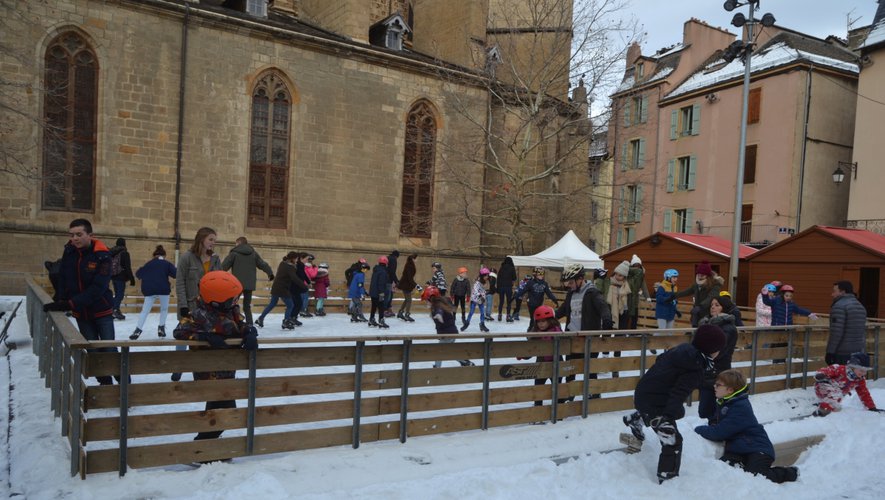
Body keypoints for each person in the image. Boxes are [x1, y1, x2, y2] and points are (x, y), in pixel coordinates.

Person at [622, 324, 726, 484]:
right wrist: (668, 417)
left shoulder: (683, 350)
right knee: (672, 440)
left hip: (644, 392)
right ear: (713, 350)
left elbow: (663, 363)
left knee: (671, 413)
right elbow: (679, 393)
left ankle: (637, 419)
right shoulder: (696, 367)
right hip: (656, 401)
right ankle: (667, 478)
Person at [173, 271, 258, 442]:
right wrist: (204, 337)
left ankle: (205, 448)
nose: (236, 301)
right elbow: (179, 331)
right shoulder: (199, 314)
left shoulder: (231, 311)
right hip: (208, 372)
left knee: (217, 412)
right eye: (233, 298)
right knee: (225, 412)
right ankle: (201, 446)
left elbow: (240, 324)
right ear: (218, 301)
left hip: (226, 371)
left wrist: (249, 331)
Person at [43, 219, 118, 385]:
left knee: (109, 349)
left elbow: (98, 287)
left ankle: (125, 384)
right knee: (92, 350)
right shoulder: (69, 252)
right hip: (81, 313)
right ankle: (106, 386)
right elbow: (63, 276)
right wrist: (60, 298)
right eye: (71, 235)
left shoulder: (103, 256)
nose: (75, 238)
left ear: (90, 235)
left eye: (79, 234)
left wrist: (70, 304)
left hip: (101, 310)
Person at [694, 369, 799, 483]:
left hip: (757, 449)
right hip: (737, 449)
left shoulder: (740, 407)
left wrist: (697, 429)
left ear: (730, 390)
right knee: (725, 469)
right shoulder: (726, 402)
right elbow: (713, 420)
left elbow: (719, 433)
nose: (714, 386)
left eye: (718, 385)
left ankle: (789, 473)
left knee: (755, 477)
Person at [555, 264, 612, 399]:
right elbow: (563, 310)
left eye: (571, 282)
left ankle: (594, 393)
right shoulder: (571, 294)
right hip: (572, 338)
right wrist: (550, 318)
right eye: (567, 282)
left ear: (580, 279)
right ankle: (569, 394)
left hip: (588, 339)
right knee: (570, 368)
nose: (568, 285)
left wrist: (607, 324)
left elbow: (604, 308)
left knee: (589, 368)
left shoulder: (592, 293)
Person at [174, 227, 222, 382]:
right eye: (211, 239)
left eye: (215, 240)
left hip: (209, 309)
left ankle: (202, 372)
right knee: (184, 336)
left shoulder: (215, 259)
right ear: (201, 239)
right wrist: (183, 306)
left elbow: (220, 281)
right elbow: (180, 282)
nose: (213, 243)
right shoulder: (186, 258)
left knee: (204, 341)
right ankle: (178, 366)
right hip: (190, 307)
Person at [697, 295, 739, 421]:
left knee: (713, 410)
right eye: (712, 305)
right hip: (706, 372)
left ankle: (718, 429)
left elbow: (718, 351)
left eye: (717, 305)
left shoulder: (728, 328)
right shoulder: (707, 324)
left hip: (719, 372)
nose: (713, 307)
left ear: (724, 308)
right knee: (704, 410)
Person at [221, 236, 274, 325]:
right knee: (247, 306)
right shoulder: (253, 253)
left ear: (238, 243)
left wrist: (217, 276)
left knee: (231, 304)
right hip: (249, 284)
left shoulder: (234, 253)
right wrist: (270, 273)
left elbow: (224, 266)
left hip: (237, 285)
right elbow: (262, 264)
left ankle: (230, 322)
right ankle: (250, 324)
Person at [130, 245, 177, 339]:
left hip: (149, 290)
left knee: (145, 311)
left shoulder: (149, 263)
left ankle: (137, 330)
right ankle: (161, 328)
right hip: (163, 289)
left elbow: (138, 274)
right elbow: (175, 274)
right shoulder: (166, 263)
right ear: (164, 255)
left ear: (154, 255)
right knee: (164, 309)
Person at [813, 352, 880, 417]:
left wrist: (871, 407)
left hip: (837, 394)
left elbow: (864, 393)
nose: (863, 373)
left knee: (837, 405)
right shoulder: (840, 369)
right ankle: (822, 411)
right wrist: (821, 375)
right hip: (822, 387)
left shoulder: (859, 379)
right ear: (853, 367)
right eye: (861, 370)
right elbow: (828, 370)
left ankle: (825, 406)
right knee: (835, 394)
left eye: (865, 371)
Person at [522, 305, 564, 406]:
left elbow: (564, 342)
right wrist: (524, 355)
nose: (541, 324)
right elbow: (532, 349)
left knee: (557, 387)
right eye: (539, 322)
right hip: (541, 365)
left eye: (543, 321)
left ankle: (559, 408)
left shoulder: (557, 331)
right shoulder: (535, 333)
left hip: (556, 364)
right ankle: (538, 408)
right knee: (539, 387)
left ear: (550, 321)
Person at [422, 286, 473, 368]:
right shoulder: (440, 304)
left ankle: (437, 368)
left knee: (439, 351)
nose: (426, 303)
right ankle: (464, 362)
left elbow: (440, 311)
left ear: (430, 299)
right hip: (451, 333)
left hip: (448, 334)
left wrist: (439, 315)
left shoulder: (437, 306)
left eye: (426, 300)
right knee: (449, 351)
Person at [256, 251, 301, 329]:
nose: (297, 260)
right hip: (282, 288)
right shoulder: (290, 267)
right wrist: (304, 285)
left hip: (276, 287)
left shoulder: (283, 263)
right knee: (290, 305)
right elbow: (294, 278)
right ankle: (286, 322)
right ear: (293, 259)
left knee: (272, 304)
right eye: (296, 258)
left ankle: (260, 318)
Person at [827, 281, 868, 365]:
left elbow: (836, 332)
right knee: (852, 376)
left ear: (842, 292)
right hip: (858, 351)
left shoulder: (839, 306)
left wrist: (830, 352)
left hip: (842, 352)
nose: (832, 294)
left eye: (834, 291)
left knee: (841, 377)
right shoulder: (860, 306)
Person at [675, 261, 723, 327]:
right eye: (698, 274)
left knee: (704, 330)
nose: (700, 276)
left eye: (702, 274)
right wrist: (673, 295)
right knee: (695, 328)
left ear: (707, 275)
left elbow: (711, 297)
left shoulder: (715, 285)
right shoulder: (697, 284)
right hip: (696, 314)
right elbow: (687, 291)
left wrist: (700, 306)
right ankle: (693, 331)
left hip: (708, 313)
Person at [513, 267, 559, 331]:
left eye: (542, 274)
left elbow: (549, 293)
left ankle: (535, 331)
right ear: (535, 275)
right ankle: (530, 332)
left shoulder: (544, 284)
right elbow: (523, 290)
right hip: (531, 304)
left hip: (539, 303)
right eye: (539, 274)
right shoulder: (530, 283)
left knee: (538, 319)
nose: (541, 276)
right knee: (533, 318)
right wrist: (515, 296)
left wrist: (554, 300)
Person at [109, 237, 135, 320]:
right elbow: (128, 267)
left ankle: (114, 310)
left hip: (113, 276)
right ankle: (114, 310)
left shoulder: (112, 252)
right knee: (120, 295)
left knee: (117, 294)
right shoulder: (124, 253)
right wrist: (132, 279)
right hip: (121, 276)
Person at [461, 267, 490, 332]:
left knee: (482, 313)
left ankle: (482, 324)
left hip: (481, 300)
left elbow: (483, 291)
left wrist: (486, 292)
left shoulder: (485, 282)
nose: (487, 277)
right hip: (474, 299)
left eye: (487, 275)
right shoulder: (477, 283)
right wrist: (481, 296)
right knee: (471, 312)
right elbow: (475, 291)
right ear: (482, 276)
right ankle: (466, 323)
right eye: (486, 275)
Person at [626, 255, 651, 330]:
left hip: (635, 300)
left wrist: (648, 297)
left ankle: (632, 332)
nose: (637, 267)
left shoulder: (641, 276)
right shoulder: (628, 274)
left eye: (638, 265)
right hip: (627, 298)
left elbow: (644, 286)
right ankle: (624, 332)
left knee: (634, 317)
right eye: (635, 265)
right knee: (626, 317)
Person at [368, 256, 389, 328]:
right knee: (381, 307)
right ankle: (381, 321)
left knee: (374, 306)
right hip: (379, 293)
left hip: (373, 292)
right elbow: (381, 283)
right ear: (386, 263)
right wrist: (382, 293)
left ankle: (371, 319)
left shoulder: (376, 270)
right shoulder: (383, 272)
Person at [396, 254, 418, 322]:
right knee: (409, 300)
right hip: (406, 286)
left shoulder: (409, 265)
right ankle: (407, 315)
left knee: (407, 300)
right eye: (416, 258)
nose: (417, 260)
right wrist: (416, 285)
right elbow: (409, 278)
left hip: (406, 285)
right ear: (413, 259)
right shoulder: (410, 266)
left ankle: (400, 312)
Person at [496, 257, 517, 322]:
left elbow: (498, 278)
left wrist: (498, 288)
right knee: (509, 302)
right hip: (508, 287)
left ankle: (499, 315)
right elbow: (514, 278)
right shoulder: (512, 268)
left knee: (501, 301)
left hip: (501, 287)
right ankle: (508, 316)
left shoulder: (501, 268)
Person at [384, 250, 400, 317]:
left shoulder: (387, 258)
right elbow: (392, 271)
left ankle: (388, 309)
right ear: (397, 256)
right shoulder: (393, 259)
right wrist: (396, 281)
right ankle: (384, 311)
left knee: (389, 295)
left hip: (385, 279)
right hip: (388, 280)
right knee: (388, 296)